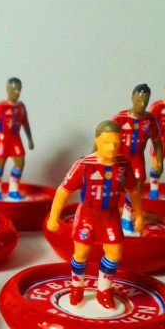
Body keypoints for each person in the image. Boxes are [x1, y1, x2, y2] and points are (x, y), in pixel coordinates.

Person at [46, 120, 144, 310]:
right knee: (81, 254)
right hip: (87, 218)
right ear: (97, 141)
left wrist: (139, 216)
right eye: (107, 142)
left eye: (116, 142)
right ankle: (77, 288)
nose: (112, 147)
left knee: (114, 253)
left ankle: (103, 291)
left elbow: (133, 192)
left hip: (110, 218)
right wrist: (53, 216)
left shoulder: (123, 164)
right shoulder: (84, 164)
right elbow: (63, 191)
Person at [111, 83, 163, 232]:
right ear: (132, 98)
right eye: (139, 100)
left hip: (137, 159)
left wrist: (159, 162)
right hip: (119, 159)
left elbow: (157, 141)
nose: (142, 105)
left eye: (145, 101)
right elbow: (102, 138)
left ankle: (126, 218)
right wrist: (92, 157)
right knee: (112, 187)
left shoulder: (149, 120)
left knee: (136, 189)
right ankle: (109, 216)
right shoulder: (119, 118)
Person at [0, 77, 34, 200]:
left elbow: (25, 123)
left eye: (19, 90)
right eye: (14, 90)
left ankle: (13, 190)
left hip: (15, 139)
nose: (17, 93)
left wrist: (29, 139)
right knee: (0, 165)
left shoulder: (21, 107)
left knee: (20, 163)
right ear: (8, 90)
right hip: (2, 140)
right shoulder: (0, 106)